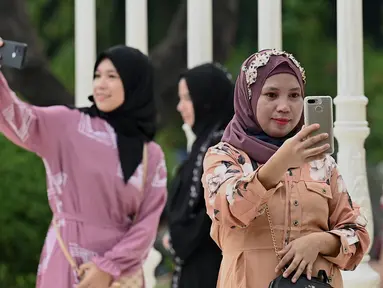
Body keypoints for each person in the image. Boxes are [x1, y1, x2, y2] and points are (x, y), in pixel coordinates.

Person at [0, 39, 167, 288]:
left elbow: (147, 225)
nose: (101, 84)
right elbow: (15, 117)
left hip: (118, 276)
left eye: (112, 76)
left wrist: (108, 268)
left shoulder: (150, 155)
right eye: (97, 75)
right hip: (66, 260)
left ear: (134, 83)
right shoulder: (67, 124)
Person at [201, 49, 370, 288]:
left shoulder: (321, 162)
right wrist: (281, 161)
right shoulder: (225, 156)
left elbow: (358, 235)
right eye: (271, 94)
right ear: (248, 98)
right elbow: (229, 210)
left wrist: (321, 242)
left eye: (294, 95)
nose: (284, 106)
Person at [164, 63, 234, 288]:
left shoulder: (223, 147)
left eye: (186, 98)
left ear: (206, 100)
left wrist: (180, 237)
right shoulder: (202, 146)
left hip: (213, 268)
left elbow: (208, 213)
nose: (179, 107)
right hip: (197, 266)